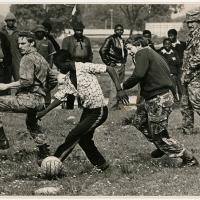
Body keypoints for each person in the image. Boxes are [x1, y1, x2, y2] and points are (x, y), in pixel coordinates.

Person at [37, 49, 129, 170]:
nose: (59, 69)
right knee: (84, 139)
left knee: (74, 135)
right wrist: (44, 112)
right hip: (88, 111)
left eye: (60, 66)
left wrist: (119, 90)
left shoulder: (85, 67)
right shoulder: (69, 78)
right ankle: (102, 165)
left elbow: (110, 69)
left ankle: (52, 163)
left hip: (98, 111)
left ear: (68, 61)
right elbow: (61, 96)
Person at [121, 35, 198, 167]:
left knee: (159, 135)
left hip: (159, 99)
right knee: (139, 121)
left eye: (129, 48)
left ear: (138, 44)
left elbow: (138, 74)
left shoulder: (142, 52)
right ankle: (162, 146)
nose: (129, 52)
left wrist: (123, 86)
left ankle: (189, 158)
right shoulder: (152, 53)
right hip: (154, 98)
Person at [0, 31, 57, 161]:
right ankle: (44, 152)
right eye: (18, 43)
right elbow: (53, 79)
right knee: (31, 123)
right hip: (40, 101)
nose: (20, 46)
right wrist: (43, 91)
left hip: (28, 99)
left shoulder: (27, 58)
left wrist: (6, 86)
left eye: (23, 43)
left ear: (32, 43)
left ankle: (2, 140)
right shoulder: (41, 58)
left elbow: (26, 81)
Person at [61, 21, 93, 110]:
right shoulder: (67, 40)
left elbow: (90, 53)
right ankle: (69, 107)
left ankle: (82, 106)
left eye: (81, 30)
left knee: (83, 87)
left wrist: (89, 63)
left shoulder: (86, 40)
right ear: (74, 30)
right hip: (73, 65)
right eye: (77, 30)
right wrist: (68, 65)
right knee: (72, 87)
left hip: (84, 65)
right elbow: (64, 54)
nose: (79, 32)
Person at [99, 24, 127, 110]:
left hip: (121, 65)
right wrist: (109, 63)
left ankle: (119, 105)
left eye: (121, 30)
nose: (120, 31)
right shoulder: (110, 39)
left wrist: (124, 61)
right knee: (115, 86)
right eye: (118, 30)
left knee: (121, 85)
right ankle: (112, 106)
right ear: (114, 30)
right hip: (114, 65)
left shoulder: (122, 40)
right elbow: (102, 50)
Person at [181, 11, 200, 135]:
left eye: (192, 22)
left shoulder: (198, 36)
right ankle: (187, 129)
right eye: (188, 22)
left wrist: (187, 72)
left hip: (195, 76)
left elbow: (199, 56)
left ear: (198, 22)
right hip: (187, 75)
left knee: (197, 102)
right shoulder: (191, 36)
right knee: (185, 103)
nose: (189, 25)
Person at [33, 25, 56, 107]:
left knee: (46, 85)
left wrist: (50, 66)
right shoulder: (33, 42)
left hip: (45, 67)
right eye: (38, 32)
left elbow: (52, 55)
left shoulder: (48, 42)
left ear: (44, 33)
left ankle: (47, 102)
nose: (39, 34)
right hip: (35, 67)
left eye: (41, 32)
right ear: (35, 33)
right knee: (35, 84)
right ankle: (35, 102)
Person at [1, 12, 21, 81]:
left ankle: (20, 92)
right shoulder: (1, 32)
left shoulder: (18, 32)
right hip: (5, 59)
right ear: (6, 21)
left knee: (19, 79)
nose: (11, 22)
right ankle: (7, 92)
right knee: (6, 79)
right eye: (9, 20)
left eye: (12, 20)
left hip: (16, 58)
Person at [168, 29, 186, 101]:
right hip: (172, 68)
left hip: (181, 67)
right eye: (169, 36)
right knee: (172, 83)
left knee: (180, 83)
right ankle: (174, 99)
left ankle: (182, 99)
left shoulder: (183, 44)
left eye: (171, 36)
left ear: (175, 35)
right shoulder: (168, 45)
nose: (170, 37)